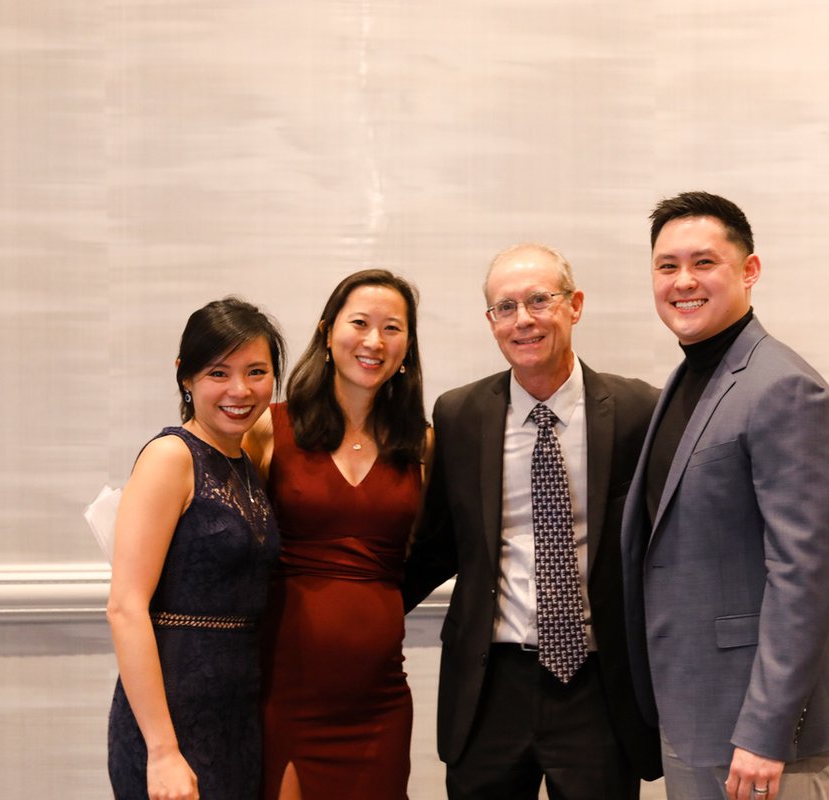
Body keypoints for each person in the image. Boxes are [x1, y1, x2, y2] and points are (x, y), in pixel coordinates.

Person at [620, 191, 829, 800]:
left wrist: (764, 732)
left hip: (755, 735)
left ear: (749, 271)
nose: (683, 281)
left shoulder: (784, 389)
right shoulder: (692, 375)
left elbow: (804, 575)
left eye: (704, 263)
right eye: (667, 266)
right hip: (697, 707)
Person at [402, 244, 663, 800]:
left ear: (575, 306)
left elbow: (680, 524)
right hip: (489, 685)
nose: (523, 320)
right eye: (506, 307)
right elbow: (436, 545)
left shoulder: (640, 410)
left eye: (539, 300)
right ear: (491, 322)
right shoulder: (459, 416)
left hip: (597, 686)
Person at [243, 269, 428, 800]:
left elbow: (421, 554)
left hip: (380, 699)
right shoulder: (267, 429)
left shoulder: (421, 444)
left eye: (392, 328)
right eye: (360, 323)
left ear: (407, 346)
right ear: (327, 332)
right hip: (288, 692)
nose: (374, 341)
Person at [106, 297, 287, 800]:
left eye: (257, 372)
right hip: (171, 720)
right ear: (185, 377)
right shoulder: (171, 456)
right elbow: (125, 608)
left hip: (237, 715)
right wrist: (162, 751)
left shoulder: (245, 464)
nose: (240, 390)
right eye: (218, 373)